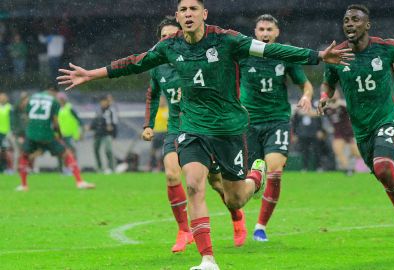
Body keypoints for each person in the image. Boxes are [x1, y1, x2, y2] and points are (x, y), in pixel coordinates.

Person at [57, 0, 352, 268]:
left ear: (204, 14)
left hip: (228, 129)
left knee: (235, 199)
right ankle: (207, 258)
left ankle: (256, 175)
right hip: (192, 127)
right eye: (183, 10)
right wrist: (91, 74)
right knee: (195, 186)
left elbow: (272, 50)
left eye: (193, 9)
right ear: (177, 15)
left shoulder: (226, 40)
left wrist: (317, 56)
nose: (187, 14)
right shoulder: (170, 46)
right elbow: (134, 62)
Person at [318, 4, 394, 256]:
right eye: (346, 20)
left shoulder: (387, 47)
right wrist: (325, 95)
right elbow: (329, 81)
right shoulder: (336, 54)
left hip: (388, 118)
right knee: (385, 176)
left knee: (384, 167)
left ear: (367, 25)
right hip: (362, 129)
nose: (349, 24)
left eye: (356, 20)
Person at [141, 16, 247, 252]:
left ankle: (237, 216)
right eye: (163, 37)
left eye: (171, 35)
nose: (168, 39)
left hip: (204, 126)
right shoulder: (158, 69)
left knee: (218, 184)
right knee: (171, 175)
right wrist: (147, 124)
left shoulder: (194, 60)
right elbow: (152, 94)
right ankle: (183, 230)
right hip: (176, 128)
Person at [238, 14, 314, 242]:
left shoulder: (285, 55)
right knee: (248, 174)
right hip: (248, 121)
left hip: (277, 119)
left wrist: (307, 96)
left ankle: (260, 227)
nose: (265, 33)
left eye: (269, 29)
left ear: (277, 32)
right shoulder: (243, 53)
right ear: (255, 32)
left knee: (275, 170)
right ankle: (251, 190)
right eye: (261, 29)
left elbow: (306, 84)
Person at [16, 86, 94, 191]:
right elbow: (55, 122)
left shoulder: (32, 98)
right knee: (67, 154)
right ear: (53, 92)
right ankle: (80, 182)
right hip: (47, 134)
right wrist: (59, 134)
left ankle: (24, 185)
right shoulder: (54, 101)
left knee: (24, 155)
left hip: (31, 133)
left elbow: (25, 112)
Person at [323, 91, 360, 175]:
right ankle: (348, 169)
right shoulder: (326, 107)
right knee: (337, 150)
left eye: (335, 93)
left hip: (348, 132)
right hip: (338, 133)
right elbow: (316, 113)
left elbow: (354, 110)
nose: (333, 95)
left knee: (357, 153)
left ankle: (375, 162)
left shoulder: (343, 105)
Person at [57, 92, 84, 174]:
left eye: (62, 99)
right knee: (62, 152)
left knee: (71, 151)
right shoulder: (57, 109)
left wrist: (81, 132)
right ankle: (64, 168)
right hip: (61, 135)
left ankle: (73, 167)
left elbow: (79, 121)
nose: (60, 101)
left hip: (71, 134)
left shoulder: (70, 108)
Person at [91, 95, 118, 174]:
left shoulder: (111, 110)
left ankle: (111, 168)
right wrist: (91, 127)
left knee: (108, 150)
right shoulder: (98, 111)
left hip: (107, 134)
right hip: (98, 133)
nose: (103, 103)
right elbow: (95, 121)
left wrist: (113, 133)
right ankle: (99, 168)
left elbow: (115, 123)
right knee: (96, 150)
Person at [149, 95, 168, 172]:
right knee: (153, 150)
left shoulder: (167, 110)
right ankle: (153, 166)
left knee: (163, 151)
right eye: (160, 100)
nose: (161, 102)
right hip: (156, 133)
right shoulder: (155, 110)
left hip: (165, 132)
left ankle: (163, 167)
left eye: (163, 100)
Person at [0, 92, 14, 173]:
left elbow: (13, 120)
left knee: (6, 152)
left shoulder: (9, 107)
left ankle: (7, 168)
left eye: (4, 97)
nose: (2, 98)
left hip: (7, 133)